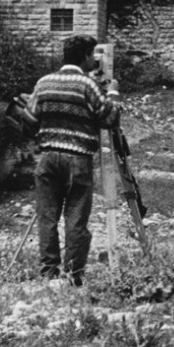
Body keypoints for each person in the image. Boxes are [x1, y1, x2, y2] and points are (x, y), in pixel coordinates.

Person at [28, 35, 121, 286]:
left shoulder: (44, 82)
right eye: (93, 55)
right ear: (85, 57)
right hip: (77, 159)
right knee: (75, 219)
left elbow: (31, 114)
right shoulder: (87, 85)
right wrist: (112, 94)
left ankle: (48, 273)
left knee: (47, 217)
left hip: (47, 158)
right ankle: (73, 275)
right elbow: (109, 117)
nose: (95, 60)